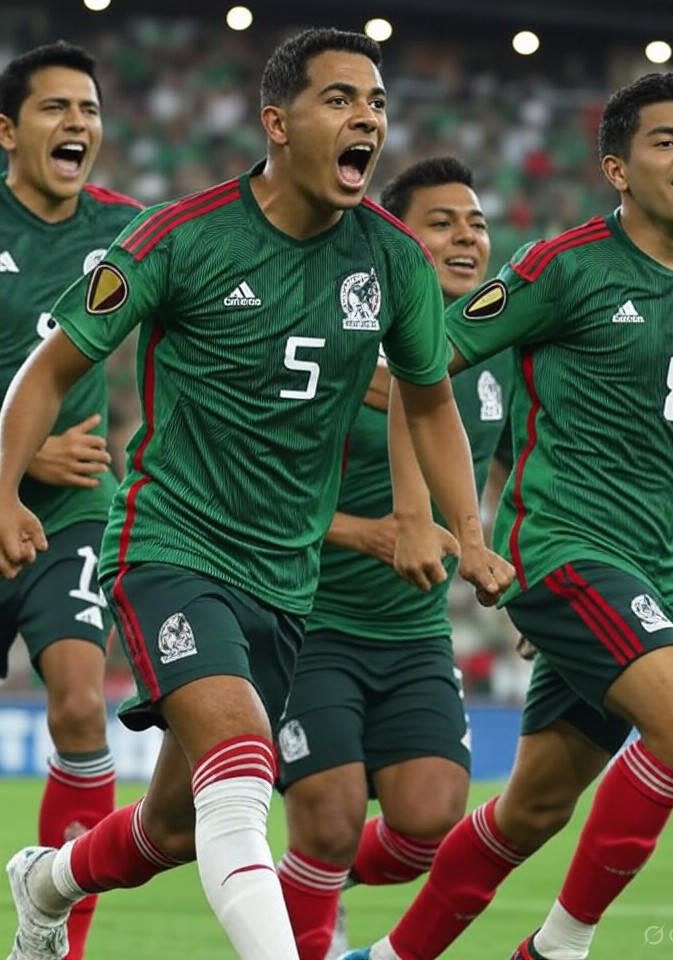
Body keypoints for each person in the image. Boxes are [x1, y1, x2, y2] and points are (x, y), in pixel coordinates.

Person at [0, 28, 513, 960]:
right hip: (168, 547)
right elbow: (48, 371)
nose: (367, 117)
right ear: (277, 123)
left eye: (377, 103)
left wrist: (466, 533)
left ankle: (48, 878)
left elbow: (430, 402)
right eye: (340, 99)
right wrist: (1, 494)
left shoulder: (393, 261)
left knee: (178, 828)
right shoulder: (181, 237)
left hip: (284, 580)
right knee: (241, 768)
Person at [340, 71, 673, 960]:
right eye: (666, 140)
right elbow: (425, 363)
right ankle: (557, 949)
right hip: (565, 551)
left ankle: (380, 950)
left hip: (647, 576)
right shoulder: (563, 267)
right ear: (617, 170)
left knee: (533, 809)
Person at [275, 156, 514, 960]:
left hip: (414, 633)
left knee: (427, 820)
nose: (465, 237)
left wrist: (519, 571)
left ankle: (321, 890)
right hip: (310, 619)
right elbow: (266, 490)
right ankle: (308, 914)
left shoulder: (497, 352)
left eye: (476, 223)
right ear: (395, 238)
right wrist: (363, 532)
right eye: (441, 223)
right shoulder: (340, 336)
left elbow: (524, 472)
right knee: (332, 818)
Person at [0, 41, 142, 960]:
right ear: (8, 130)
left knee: (83, 708)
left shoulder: (133, 232)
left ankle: (55, 931)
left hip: (75, 512)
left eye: (88, 111)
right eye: (57, 109)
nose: (78, 125)